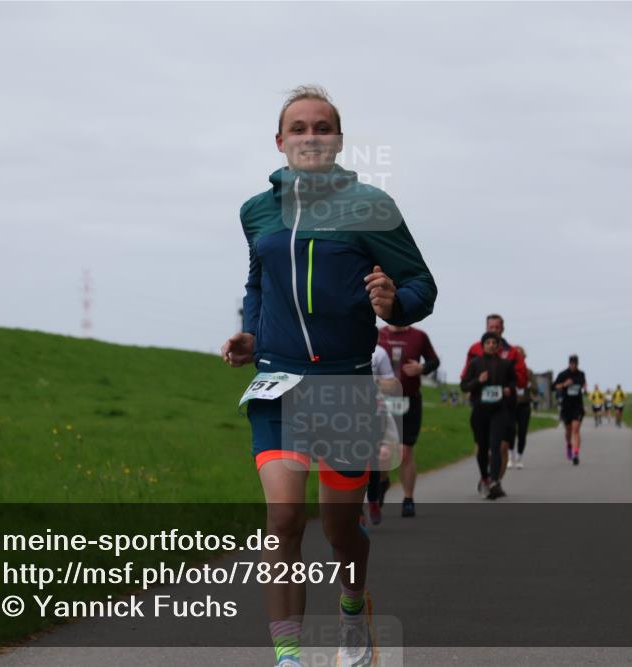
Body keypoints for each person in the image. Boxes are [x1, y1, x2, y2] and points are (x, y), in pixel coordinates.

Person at [221, 85, 436, 667]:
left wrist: (394, 302)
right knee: (284, 517)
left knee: (341, 531)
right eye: (299, 128)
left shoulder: (371, 207)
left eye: (322, 127)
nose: (311, 137)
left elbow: (421, 284)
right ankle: (289, 657)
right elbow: (258, 283)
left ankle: (352, 606)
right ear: (280, 141)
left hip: (345, 386)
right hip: (278, 383)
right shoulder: (256, 211)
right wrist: (252, 334)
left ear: (338, 141)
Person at [377, 324, 440, 517]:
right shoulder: (379, 334)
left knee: (405, 451)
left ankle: (408, 499)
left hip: (409, 400)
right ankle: (382, 483)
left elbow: (434, 361)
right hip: (382, 401)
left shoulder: (419, 336)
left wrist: (422, 368)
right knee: (384, 452)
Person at [460, 314, 527, 488]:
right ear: (486, 328)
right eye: (491, 327)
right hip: (481, 407)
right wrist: (477, 382)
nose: (494, 331)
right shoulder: (475, 351)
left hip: (503, 407)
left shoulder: (512, 353)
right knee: (483, 446)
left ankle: (495, 481)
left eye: (497, 328)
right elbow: (465, 379)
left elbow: (520, 379)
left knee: (500, 446)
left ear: (502, 329)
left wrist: (508, 387)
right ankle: (486, 476)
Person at [367, 344, 400, 526]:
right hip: (345, 410)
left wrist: (374, 381)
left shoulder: (378, 353)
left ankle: (374, 498)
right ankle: (355, 511)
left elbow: (392, 385)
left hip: (375, 411)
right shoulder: (337, 346)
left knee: (376, 457)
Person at [554, 355, 587, 465]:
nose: (573, 365)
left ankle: (576, 454)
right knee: (568, 431)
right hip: (566, 406)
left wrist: (584, 387)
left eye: (575, 364)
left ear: (577, 364)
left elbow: (583, 383)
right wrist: (564, 384)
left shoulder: (581, 374)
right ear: (569, 363)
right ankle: (569, 445)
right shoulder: (563, 374)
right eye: (571, 363)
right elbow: (554, 386)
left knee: (575, 430)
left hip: (577, 406)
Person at [510, 345, 534, 468]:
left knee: (522, 432)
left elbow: (536, 389)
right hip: (511, 405)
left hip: (524, 405)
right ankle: (510, 457)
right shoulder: (508, 371)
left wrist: (529, 385)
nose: (518, 356)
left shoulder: (529, 372)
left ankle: (519, 458)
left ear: (524, 357)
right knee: (510, 431)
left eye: (520, 354)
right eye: (516, 354)